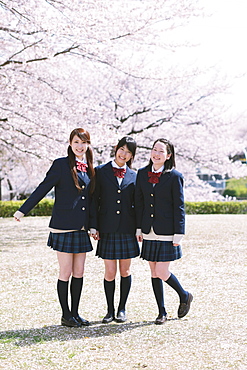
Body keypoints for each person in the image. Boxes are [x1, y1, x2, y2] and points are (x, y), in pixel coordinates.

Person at [14, 128, 95, 328]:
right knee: (65, 271)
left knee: (80, 271)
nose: (80, 146)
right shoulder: (61, 165)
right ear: (70, 143)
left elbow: (92, 200)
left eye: (83, 142)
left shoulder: (89, 167)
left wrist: (93, 226)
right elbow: (43, 187)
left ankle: (75, 313)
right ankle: (66, 315)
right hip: (64, 225)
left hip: (82, 227)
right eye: (76, 142)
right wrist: (22, 210)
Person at [135, 138, 193, 324]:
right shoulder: (142, 173)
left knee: (161, 270)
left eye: (161, 151)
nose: (156, 154)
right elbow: (140, 203)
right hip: (148, 230)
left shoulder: (175, 176)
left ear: (168, 155)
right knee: (153, 271)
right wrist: (138, 227)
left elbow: (179, 206)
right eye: (154, 150)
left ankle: (184, 295)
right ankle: (162, 312)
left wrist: (179, 232)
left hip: (168, 231)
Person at [91, 136, 139, 323]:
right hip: (107, 228)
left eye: (128, 152)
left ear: (131, 155)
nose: (124, 154)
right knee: (110, 272)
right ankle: (109, 311)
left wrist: (138, 228)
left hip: (127, 229)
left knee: (125, 271)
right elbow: (95, 201)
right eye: (122, 149)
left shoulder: (135, 176)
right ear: (116, 148)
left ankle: (122, 309)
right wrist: (93, 225)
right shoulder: (100, 171)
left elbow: (138, 204)